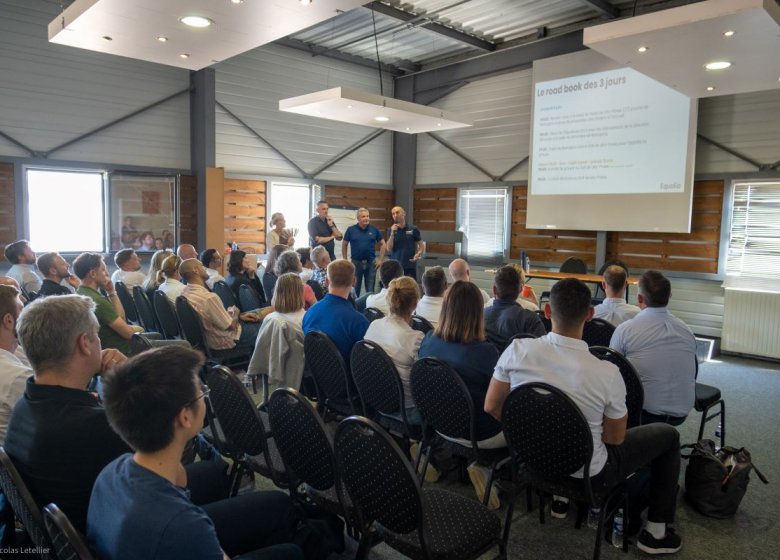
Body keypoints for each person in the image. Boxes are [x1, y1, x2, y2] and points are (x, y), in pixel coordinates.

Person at [485, 278, 683, 555]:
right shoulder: (607, 372)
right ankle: (656, 533)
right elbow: (614, 439)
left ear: (546, 312)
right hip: (589, 474)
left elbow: (492, 406)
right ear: (590, 315)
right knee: (669, 435)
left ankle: (558, 498)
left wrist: (528, 434)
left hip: (530, 460)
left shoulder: (517, 350)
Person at [87, 346, 303, 560]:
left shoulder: (112, 471)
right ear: (184, 417)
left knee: (276, 504)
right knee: (290, 552)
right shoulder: (183, 525)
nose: (204, 395)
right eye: (200, 391)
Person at [4, 295, 130, 532]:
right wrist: (129, 380)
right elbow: (169, 474)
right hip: (113, 534)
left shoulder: (27, 402)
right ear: (85, 343)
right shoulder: (95, 426)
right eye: (96, 334)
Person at [418, 280, 504, 509]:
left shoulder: (428, 341)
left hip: (440, 425)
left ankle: (434, 454)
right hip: (480, 434)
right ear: (478, 313)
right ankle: (485, 468)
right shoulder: (486, 353)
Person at [610, 270, 697, 426]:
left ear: (639, 298)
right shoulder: (687, 330)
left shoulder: (626, 329)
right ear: (669, 297)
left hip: (643, 413)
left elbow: (611, 371)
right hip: (682, 412)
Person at [364, 277, 424, 424]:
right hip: (407, 412)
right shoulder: (415, 338)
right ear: (415, 303)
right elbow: (424, 381)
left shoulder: (373, 325)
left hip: (376, 402)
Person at [180, 259, 263, 354]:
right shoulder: (208, 298)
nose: (205, 269)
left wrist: (237, 316)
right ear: (195, 270)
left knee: (256, 318)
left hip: (209, 340)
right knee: (269, 328)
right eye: (202, 266)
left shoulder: (185, 293)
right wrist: (236, 312)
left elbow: (211, 318)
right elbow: (230, 326)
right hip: (225, 340)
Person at [74, 253, 143, 355]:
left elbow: (120, 318)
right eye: (103, 270)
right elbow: (129, 334)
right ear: (93, 274)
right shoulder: (97, 301)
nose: (106, 273)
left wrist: (111, 292)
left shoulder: (80, 292)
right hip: (124, 353)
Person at [302, 259, 368, 366]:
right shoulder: (359, 322)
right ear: (354, 281)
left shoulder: (309, 313)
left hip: (317, 375)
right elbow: (366, 360)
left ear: (326, 281)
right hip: (349, 379)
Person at [484, 265, 546, 350]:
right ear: (521, 289)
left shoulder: (479, 316)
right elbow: (542, 350)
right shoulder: (530, 319)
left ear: (494, 290)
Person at [0, 285, 30, 442]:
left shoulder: (13, 354)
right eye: (22, 309)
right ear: (9, 320)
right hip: (20, 461)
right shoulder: (17, 376)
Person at [342, 208, 386, 296]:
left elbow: (383, 244)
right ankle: (355, 308)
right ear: (358, 218)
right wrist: (345, 260)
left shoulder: (374, 229)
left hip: (371, 263)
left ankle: (369, 308)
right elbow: (344, 244)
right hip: (356, 263)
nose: (366, 218)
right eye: (363, 216)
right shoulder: (351, 230)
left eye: (367, 216)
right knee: (355, 289)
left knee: (370, 290)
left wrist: (380, 260)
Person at [386, 206, 423, 278]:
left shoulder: (413, 229)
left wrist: (418, 254)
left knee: (410, 288)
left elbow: (421, 246)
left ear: (404, 213)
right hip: (395, 267)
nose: (395, 215)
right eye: (393, 214)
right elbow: (388, 248)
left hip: (409, 266)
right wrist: (392, 233)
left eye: (397, 212)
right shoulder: (390, 230)